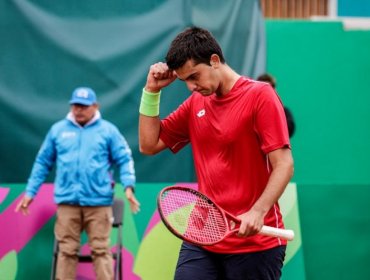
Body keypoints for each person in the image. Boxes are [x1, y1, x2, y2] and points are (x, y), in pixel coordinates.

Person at [138, 27, 294, 280]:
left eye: (194, 76)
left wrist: (257, 211)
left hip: (254, 243)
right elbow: (148, 144)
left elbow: (284, 165)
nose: (190, 87)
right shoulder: (195, 103)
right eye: (185, 80)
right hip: (202, 236)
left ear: (214, 60)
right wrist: (151, 91)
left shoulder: (260, 96)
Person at [15, 87, 140, 280]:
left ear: (95, 106)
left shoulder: (108, 131)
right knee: (66, 251)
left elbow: (124, 159)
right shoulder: (58, 130)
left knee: (101, 250)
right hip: (67, 203)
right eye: (75, 105)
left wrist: (129, 187)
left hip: (99, 203)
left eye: (83, 106)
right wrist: (30, 193)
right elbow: (42, 162)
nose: (78, 110)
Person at [256, 73, 296, 138]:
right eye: (263, 89)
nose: (266, 92)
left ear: (274, 89)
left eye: (270, 88)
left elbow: (289, 128)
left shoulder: (284, 112)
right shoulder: (251, 113)